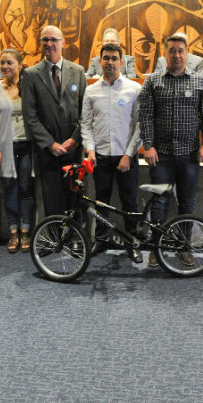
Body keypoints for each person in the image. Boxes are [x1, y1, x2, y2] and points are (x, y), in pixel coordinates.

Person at [139, 32, 203, 267]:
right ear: (164, 53)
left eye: (181, 50)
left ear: (187, 53)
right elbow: (145, 115)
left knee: (187, 202)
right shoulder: (153, 80)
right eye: (172, 50)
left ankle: (184, 247)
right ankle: (156, 247)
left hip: (189, 155)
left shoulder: (199, 80)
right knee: (160, 201)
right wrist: (148, 146)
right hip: (160, 155)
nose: (177, 55)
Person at [81, 42, 144, 263]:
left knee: (130, 203)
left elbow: (140, 126)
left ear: (121, 61)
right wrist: (90, 150)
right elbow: (85, 125)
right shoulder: (91, 90)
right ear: (100, 62)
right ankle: (101, 239)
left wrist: (129, 154)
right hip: (100, 157)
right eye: (106, 58)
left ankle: (132, 242)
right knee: (101, 201)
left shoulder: (134, 89)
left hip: (126, 156)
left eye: (114, 58)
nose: (110, 62)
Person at [22, 25, 87, 216]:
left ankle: (75, 239)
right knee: (52, 198)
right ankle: (54, 240)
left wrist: (75, 140)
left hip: (73, 148)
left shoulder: (78, 71)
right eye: (45, 40)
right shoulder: (31, 74)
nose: (49, 44)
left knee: (75, 195)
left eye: (53, 40)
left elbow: (86, 111)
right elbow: (30, 116)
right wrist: (50, 144)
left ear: (63, 43)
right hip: (47, 151)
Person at [0, 48, 36, 253]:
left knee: (26, 188)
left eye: (9, 63)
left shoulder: (29, 87)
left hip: (27, 146)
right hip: (5, 147)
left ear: (20, 65)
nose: (4, 67)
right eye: (2, 63)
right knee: (10, 190)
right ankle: (13, 231)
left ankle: (26, 231)